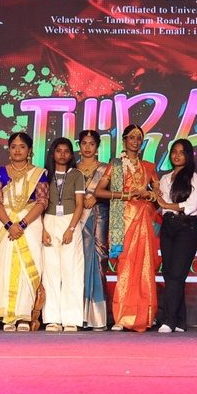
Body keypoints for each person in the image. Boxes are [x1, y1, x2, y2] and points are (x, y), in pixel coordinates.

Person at [95, 124, 158, 332]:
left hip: (143, 220)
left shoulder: (148, 167)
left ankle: (145, 316)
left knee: (144, 268)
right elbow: (99, 192)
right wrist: (124, 195)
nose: (135, 141)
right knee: (126, 267)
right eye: (131, 137)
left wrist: (149, 194)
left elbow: (158, 195)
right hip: (123, 220)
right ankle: (122, 317)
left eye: (139, 138)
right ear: (124, 141)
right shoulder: (115, 165)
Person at [0, 131, 48, 331]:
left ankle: (24, 315)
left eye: (22, 147)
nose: (17, 150)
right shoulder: (0, 172)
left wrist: (22, 224)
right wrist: (10, 225)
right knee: (5, 266)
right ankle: (8, 317)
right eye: (14, 146)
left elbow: (42, 202)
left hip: (30, 225)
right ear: (9, 150)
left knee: (28, 269)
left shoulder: (39, 174)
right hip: (5, 225)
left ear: (30, 150)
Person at [154, 138, 197, 333]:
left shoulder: (193, 177)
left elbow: (192, 205)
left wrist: (167, 205)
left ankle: (168, 319)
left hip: (186, 228)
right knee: (169, 273)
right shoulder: (165, 178)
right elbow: (160, 205)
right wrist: (156, 197)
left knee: (177, 274)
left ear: (188, 156)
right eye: (174, 151)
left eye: (182, 152)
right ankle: (181, 321)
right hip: (168, 226)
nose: (177, 155)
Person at [41, 137, 86, 332]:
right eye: (58, 150)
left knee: (72, 271)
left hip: (70, 222)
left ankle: (71, 319)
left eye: (66, 151)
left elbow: (80, 204)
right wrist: (43, 229)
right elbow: (39, 204)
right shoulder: (44, 175)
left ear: (70, 154)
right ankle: (52, 318)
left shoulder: (76, 174)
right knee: (50, 271)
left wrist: (71, 228)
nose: (62, 154)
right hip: (49, 221)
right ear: (53, 153)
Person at [77, 129, 109, 330]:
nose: (87, 147)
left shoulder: (106, 169)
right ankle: (78, 314)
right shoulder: (73, 169)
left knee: (98, 260)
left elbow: (112, 192)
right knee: (78, 263)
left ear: (97, 147)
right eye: (84, 143)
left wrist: (95, 197)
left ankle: (98, 317)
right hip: (77, 219)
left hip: (99, 217)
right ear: (79, 146)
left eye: (91, 144)